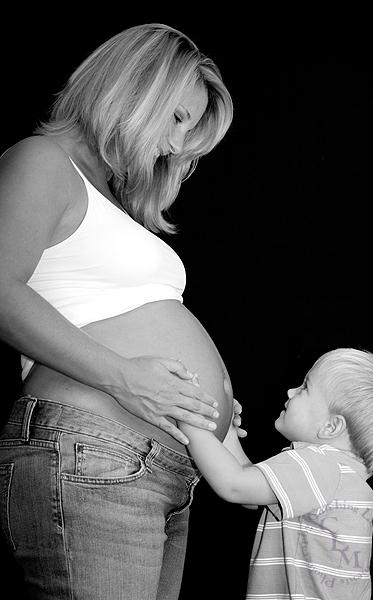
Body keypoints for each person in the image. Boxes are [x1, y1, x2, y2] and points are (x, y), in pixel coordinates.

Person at [0, 23, 242, 600]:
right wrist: (126, 377)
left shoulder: (113, 200)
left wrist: (208, 403)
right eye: (176, 118)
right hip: (94, 450)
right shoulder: (43, 160)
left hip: (154, 466)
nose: (177, 145)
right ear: (133, 89)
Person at [180, 348, 373, 599]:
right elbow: (250, 491)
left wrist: (188, 415)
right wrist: (227, 431)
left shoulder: (319, 465)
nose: (290, 392)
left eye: (305, 388)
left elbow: (234, 485)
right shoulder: (340, 474)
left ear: (331, 426)